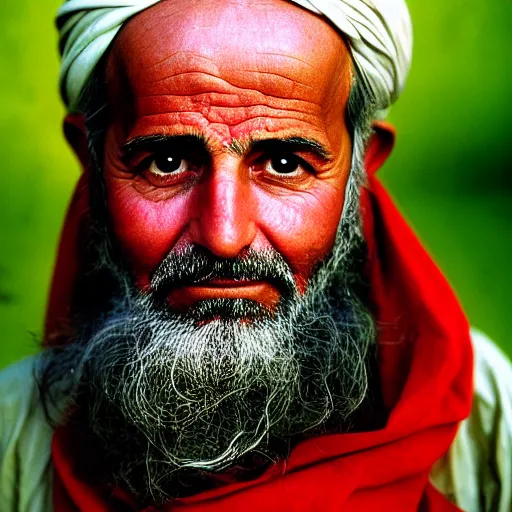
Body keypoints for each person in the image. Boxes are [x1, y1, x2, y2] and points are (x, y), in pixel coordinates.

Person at [1, 0, 511, 510]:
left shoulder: (490, 423)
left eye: (286, 163)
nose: (224, 236)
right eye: (167, 161)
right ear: (91, 163)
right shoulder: (11, 440)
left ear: (361, 171)